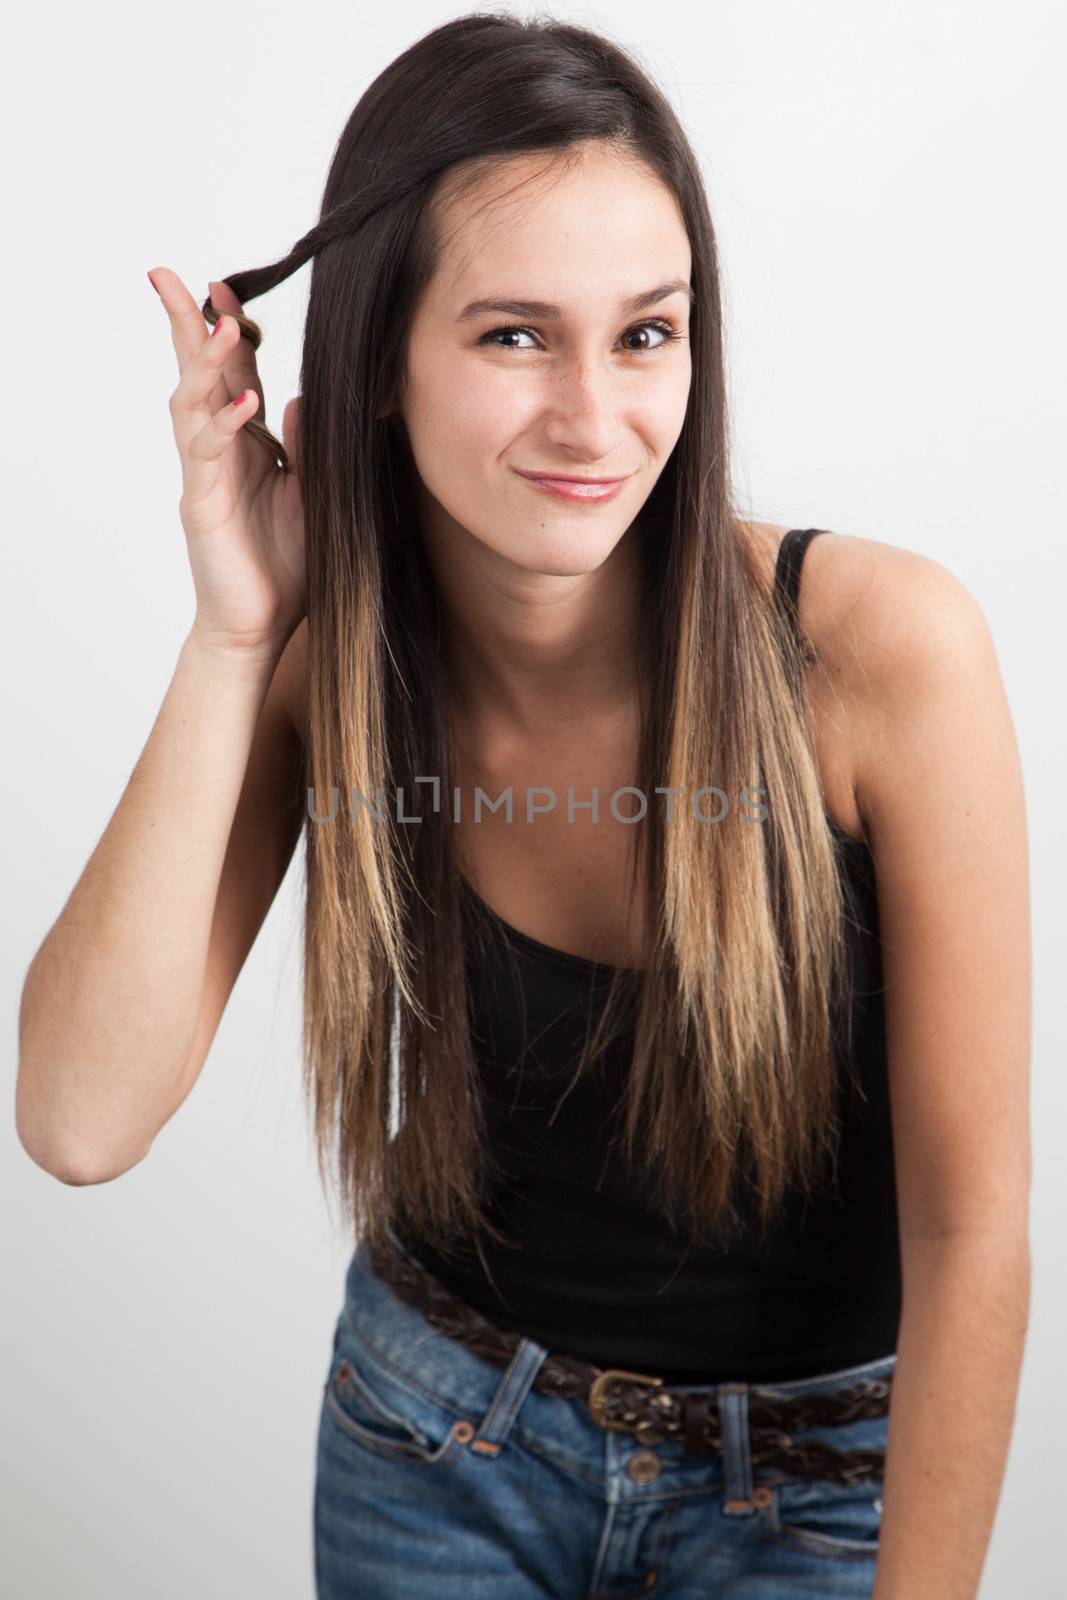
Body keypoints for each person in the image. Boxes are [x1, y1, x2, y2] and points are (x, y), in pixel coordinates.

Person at [16, 12, 1031, 1599]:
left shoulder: (879, 652)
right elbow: (78, 1120)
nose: (593, 418)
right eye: (511, 336)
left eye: (644, 334)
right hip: (440, 1448)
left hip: (824, 1490)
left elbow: (973, 1236)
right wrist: (234, 634)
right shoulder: (329, 665)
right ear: (372, 370)